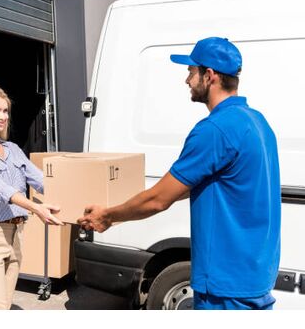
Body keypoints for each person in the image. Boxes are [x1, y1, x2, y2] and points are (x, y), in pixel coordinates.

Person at [78, 37, 281, 310]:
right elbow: (190, 185)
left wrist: (107, 216)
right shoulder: (258, 122)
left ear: (209, 76)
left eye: (191, 71)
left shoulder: (215, 129)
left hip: (225, 283)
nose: (186, 80)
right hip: (255, 274)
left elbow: (158, 200)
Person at [0, 84, 63, 310]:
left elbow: (40, 180)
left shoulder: (13, 149)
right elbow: (1, 190)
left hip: (16, 234)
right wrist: (37, 208)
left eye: (5, 111)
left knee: (4, 306)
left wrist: (73, 193)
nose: (3, 116)